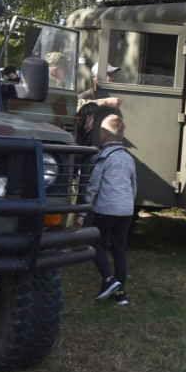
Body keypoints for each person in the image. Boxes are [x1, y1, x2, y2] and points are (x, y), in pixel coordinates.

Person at [78, 114, 136, 306]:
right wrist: (127, 203)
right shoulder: (129, 158)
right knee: (119, 250)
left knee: (92, 240)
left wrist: (82, 213)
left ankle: (109, 279)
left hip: (106, 209)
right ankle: (120, 294)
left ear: (102, 135)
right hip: (126, 210)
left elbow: (93, 187)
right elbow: (133, 185)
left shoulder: (102, 157)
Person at [76, 62, 122, 147]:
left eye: (114, 75)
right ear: (96, 78)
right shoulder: (84, 98)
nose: (114, 78)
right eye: (110, 74)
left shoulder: (113, 99)